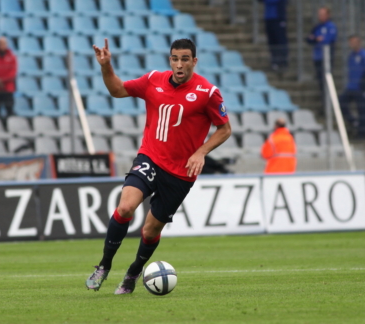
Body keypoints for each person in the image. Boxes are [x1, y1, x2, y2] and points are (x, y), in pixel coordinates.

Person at [85, 38, 232, 294]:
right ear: (170, 60)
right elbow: (117, 90)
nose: (179, 64)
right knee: (126, 206)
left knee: (151, 230)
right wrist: (106, 66)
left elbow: (225, 129)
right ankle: (104, 266)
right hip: (150, 158)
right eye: (175, 58)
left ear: (194, 62)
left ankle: (132, 273)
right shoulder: (153, 79)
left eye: (185, 59)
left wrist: (201, 152)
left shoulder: (207, 92)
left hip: (180, 173)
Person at [339, 35, 365, 139]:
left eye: (354, 42)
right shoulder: (351, 56)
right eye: (350, 42)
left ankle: (363, 134)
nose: (351, 44)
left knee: (362, 110)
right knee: (341, 102)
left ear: (359, 42)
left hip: (361, 87)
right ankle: (353, 121)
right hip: (351, 87)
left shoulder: (364, 55)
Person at [306, 7, 338, 93]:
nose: (320, 16)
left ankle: (328, 101)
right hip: (317, 57)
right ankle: (325, 101)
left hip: (327, 57)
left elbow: (327, 40)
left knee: (326, 79)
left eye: (322, 14)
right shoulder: (317, 27)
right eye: (319, 14)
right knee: (320, 81)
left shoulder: (331, 26)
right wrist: (317, 39)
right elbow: (309, 39)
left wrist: (316, 39)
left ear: (328, 15)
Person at [259, 0, 289, 71]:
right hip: (268, 19)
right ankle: (274, 61)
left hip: (278, 18)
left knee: (280, 41)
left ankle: (283, 61)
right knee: (271, 42)